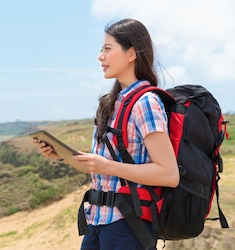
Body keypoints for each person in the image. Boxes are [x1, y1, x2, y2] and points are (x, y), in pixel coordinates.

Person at [34, 18, 180, 249]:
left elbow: (169, 174)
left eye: (107, 49)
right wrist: (62, 155)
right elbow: (102, 167)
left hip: (127, 226)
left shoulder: (146, 103)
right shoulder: (110, 103)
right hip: (97, 222)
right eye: (101, 49)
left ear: (131, 53)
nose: (100, 56)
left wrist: (106, 166)